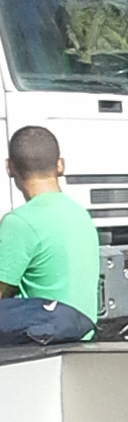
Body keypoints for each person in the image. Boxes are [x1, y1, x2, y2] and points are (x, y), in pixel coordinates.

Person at [0, 126, 98, 346]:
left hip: (39, 346)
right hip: (82, 339)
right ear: (60, 165)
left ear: (9, 167)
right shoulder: (80, 214)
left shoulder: (19, 222)